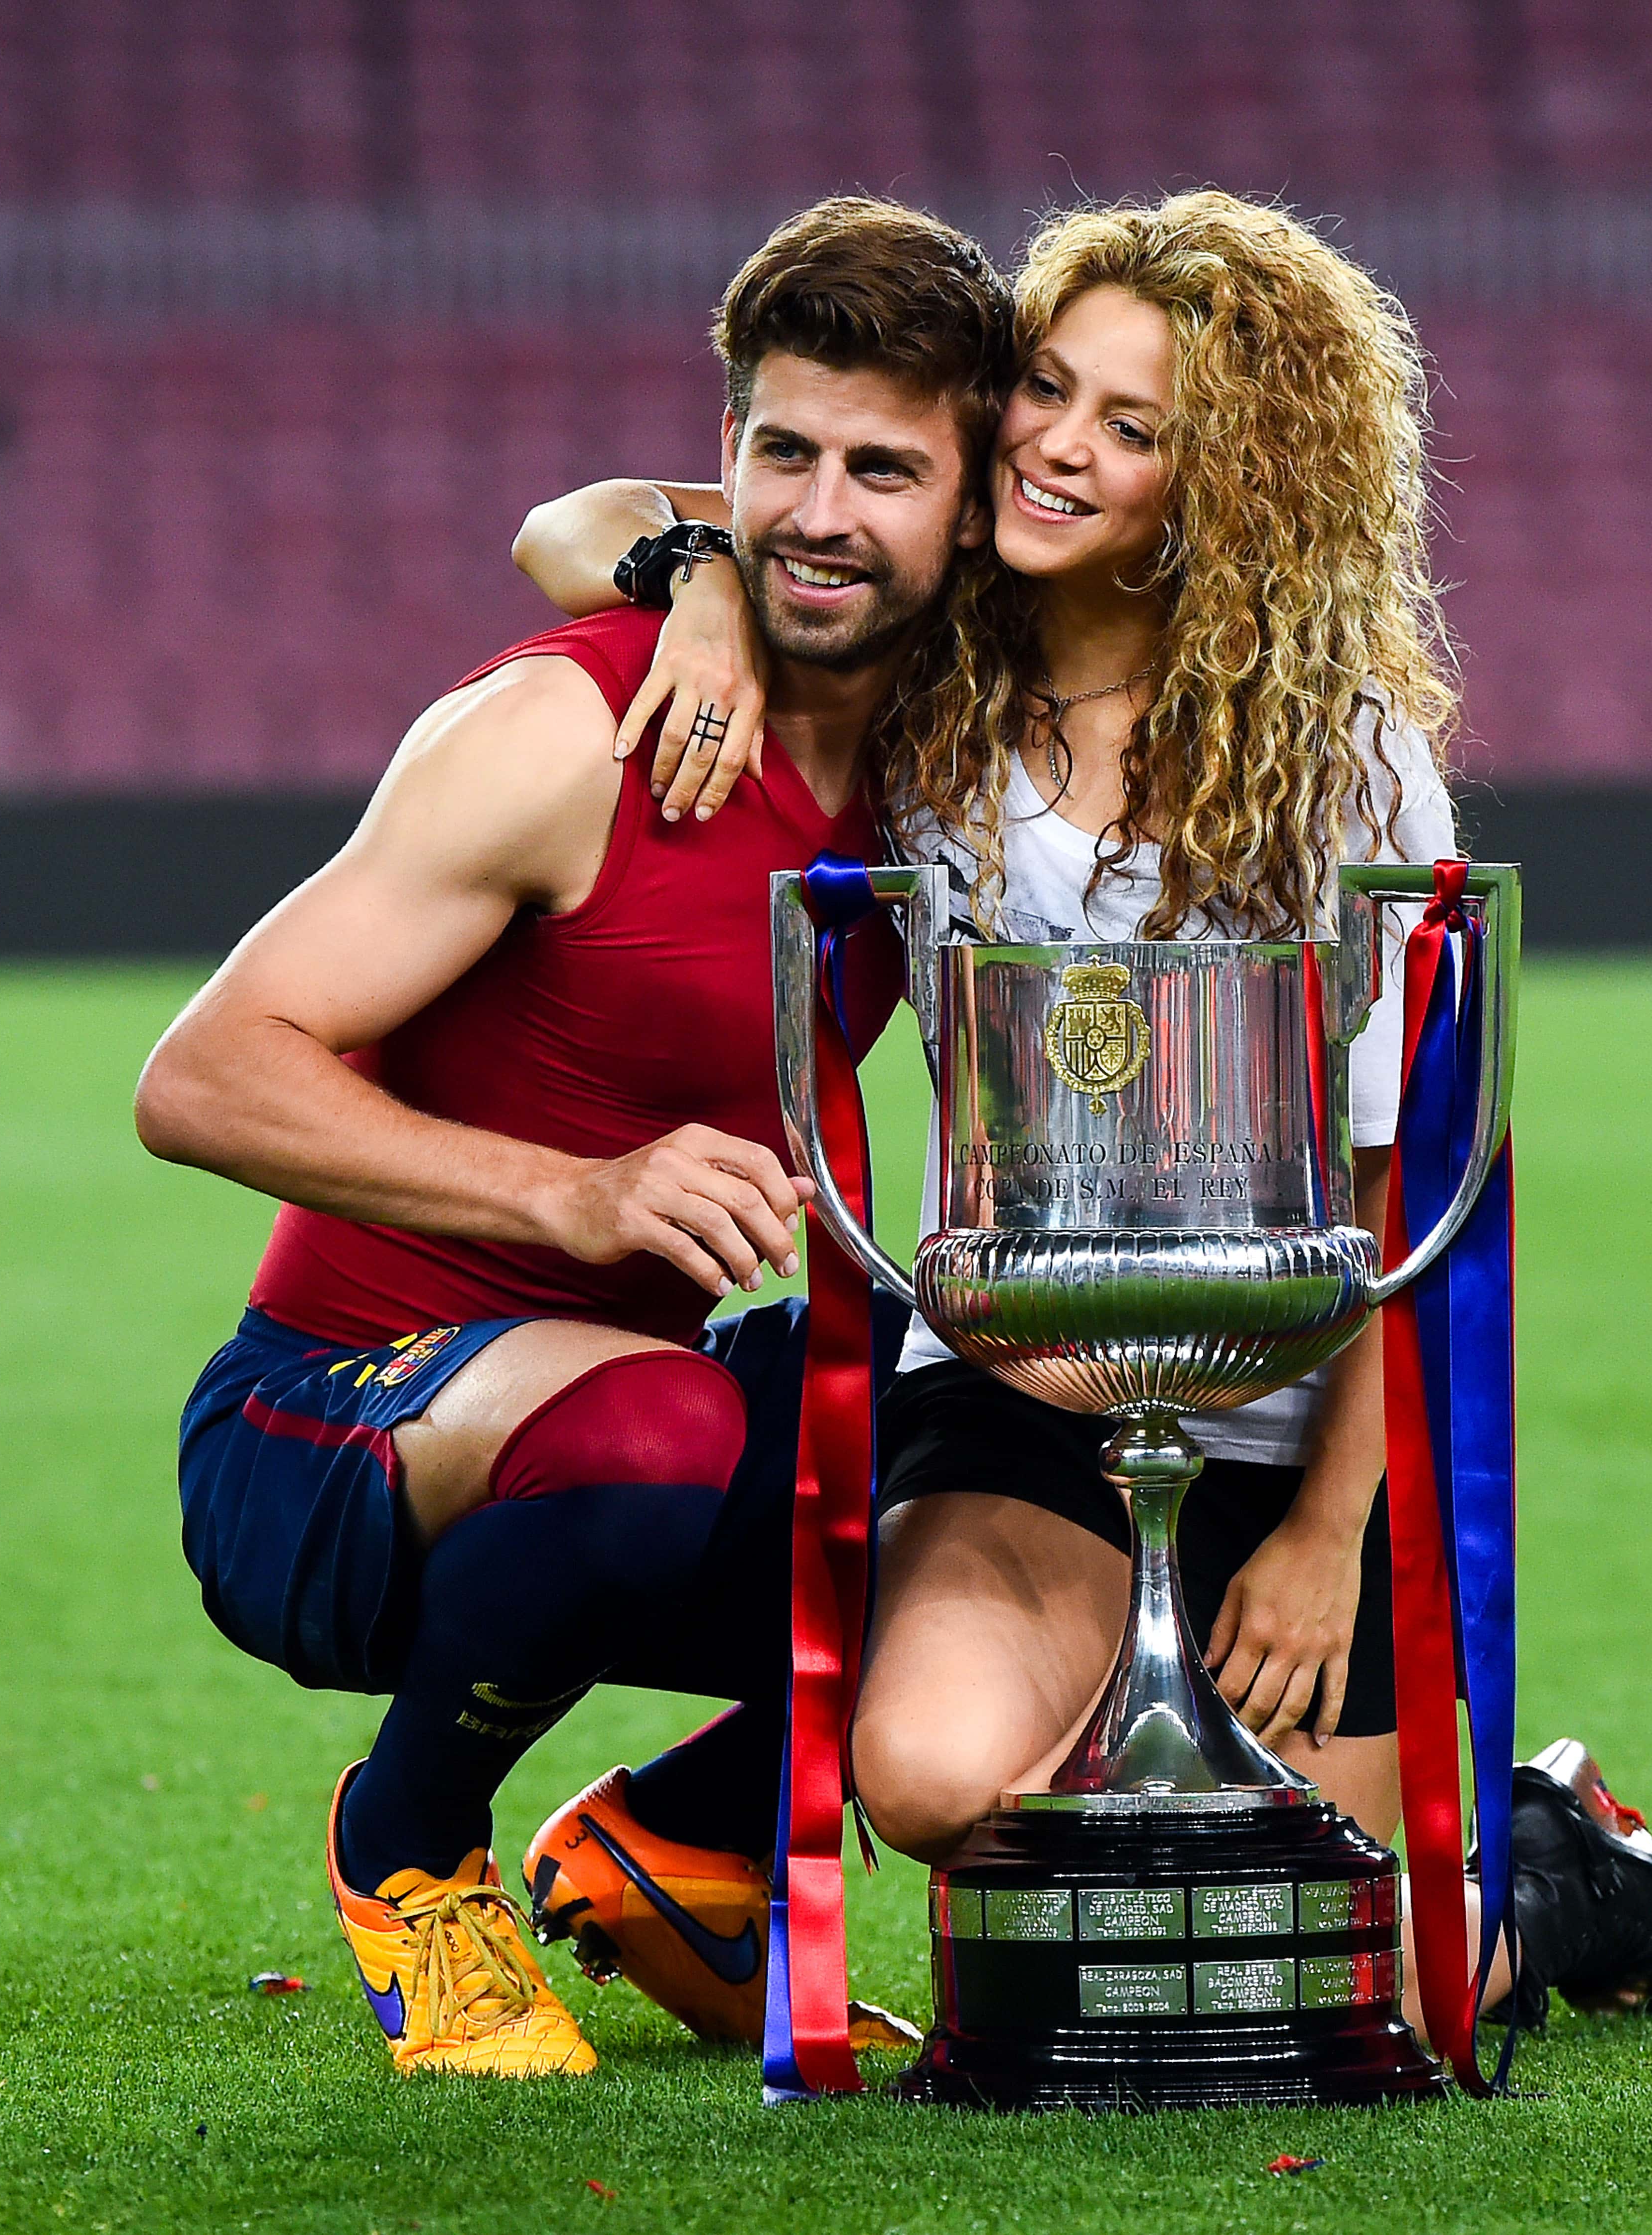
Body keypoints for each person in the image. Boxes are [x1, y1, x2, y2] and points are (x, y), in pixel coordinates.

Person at [512, 191, 1652, 2041]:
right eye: (1049, 389)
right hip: (1020, 1387)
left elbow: (1409, 1170)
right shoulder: (926, 670)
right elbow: (565, 524)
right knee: (926, 1772)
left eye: (1134, 429)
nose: (1060, 444)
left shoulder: (1348, 749)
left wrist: (1325, 1530)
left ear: (1229, 479)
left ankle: (1557, 1856)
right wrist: (709, 588)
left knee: (1394, 1989)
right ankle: (917, 1774)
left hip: (1303, 1407)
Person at [135, 195, 1014, 2078]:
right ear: (726, 457)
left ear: (969, 502)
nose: (819, 512)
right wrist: (575, 1192)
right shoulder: (573, 733)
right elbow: (201, 1075)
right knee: (672, 1421)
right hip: (329, 1434)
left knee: (989, 1455)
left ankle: (678, 1849)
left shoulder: (939, 759)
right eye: (780, 454)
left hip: (609, 1409)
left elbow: (588, 522)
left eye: (884, 465)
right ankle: (408, 1850)